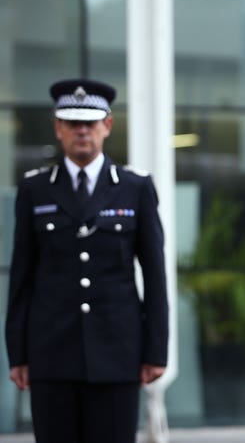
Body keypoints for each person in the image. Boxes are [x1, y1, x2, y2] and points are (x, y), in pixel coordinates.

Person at [5, 79, 169, 443]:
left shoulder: (135, 187)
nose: (82, 131)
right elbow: (22, 276)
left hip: (117, 354)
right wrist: (17, 353)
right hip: (51, 354)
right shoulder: (34, 189)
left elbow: (155, 276)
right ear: (57, 127)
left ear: (107, 126)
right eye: (72, 122)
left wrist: (156, 350)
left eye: (90, 123)